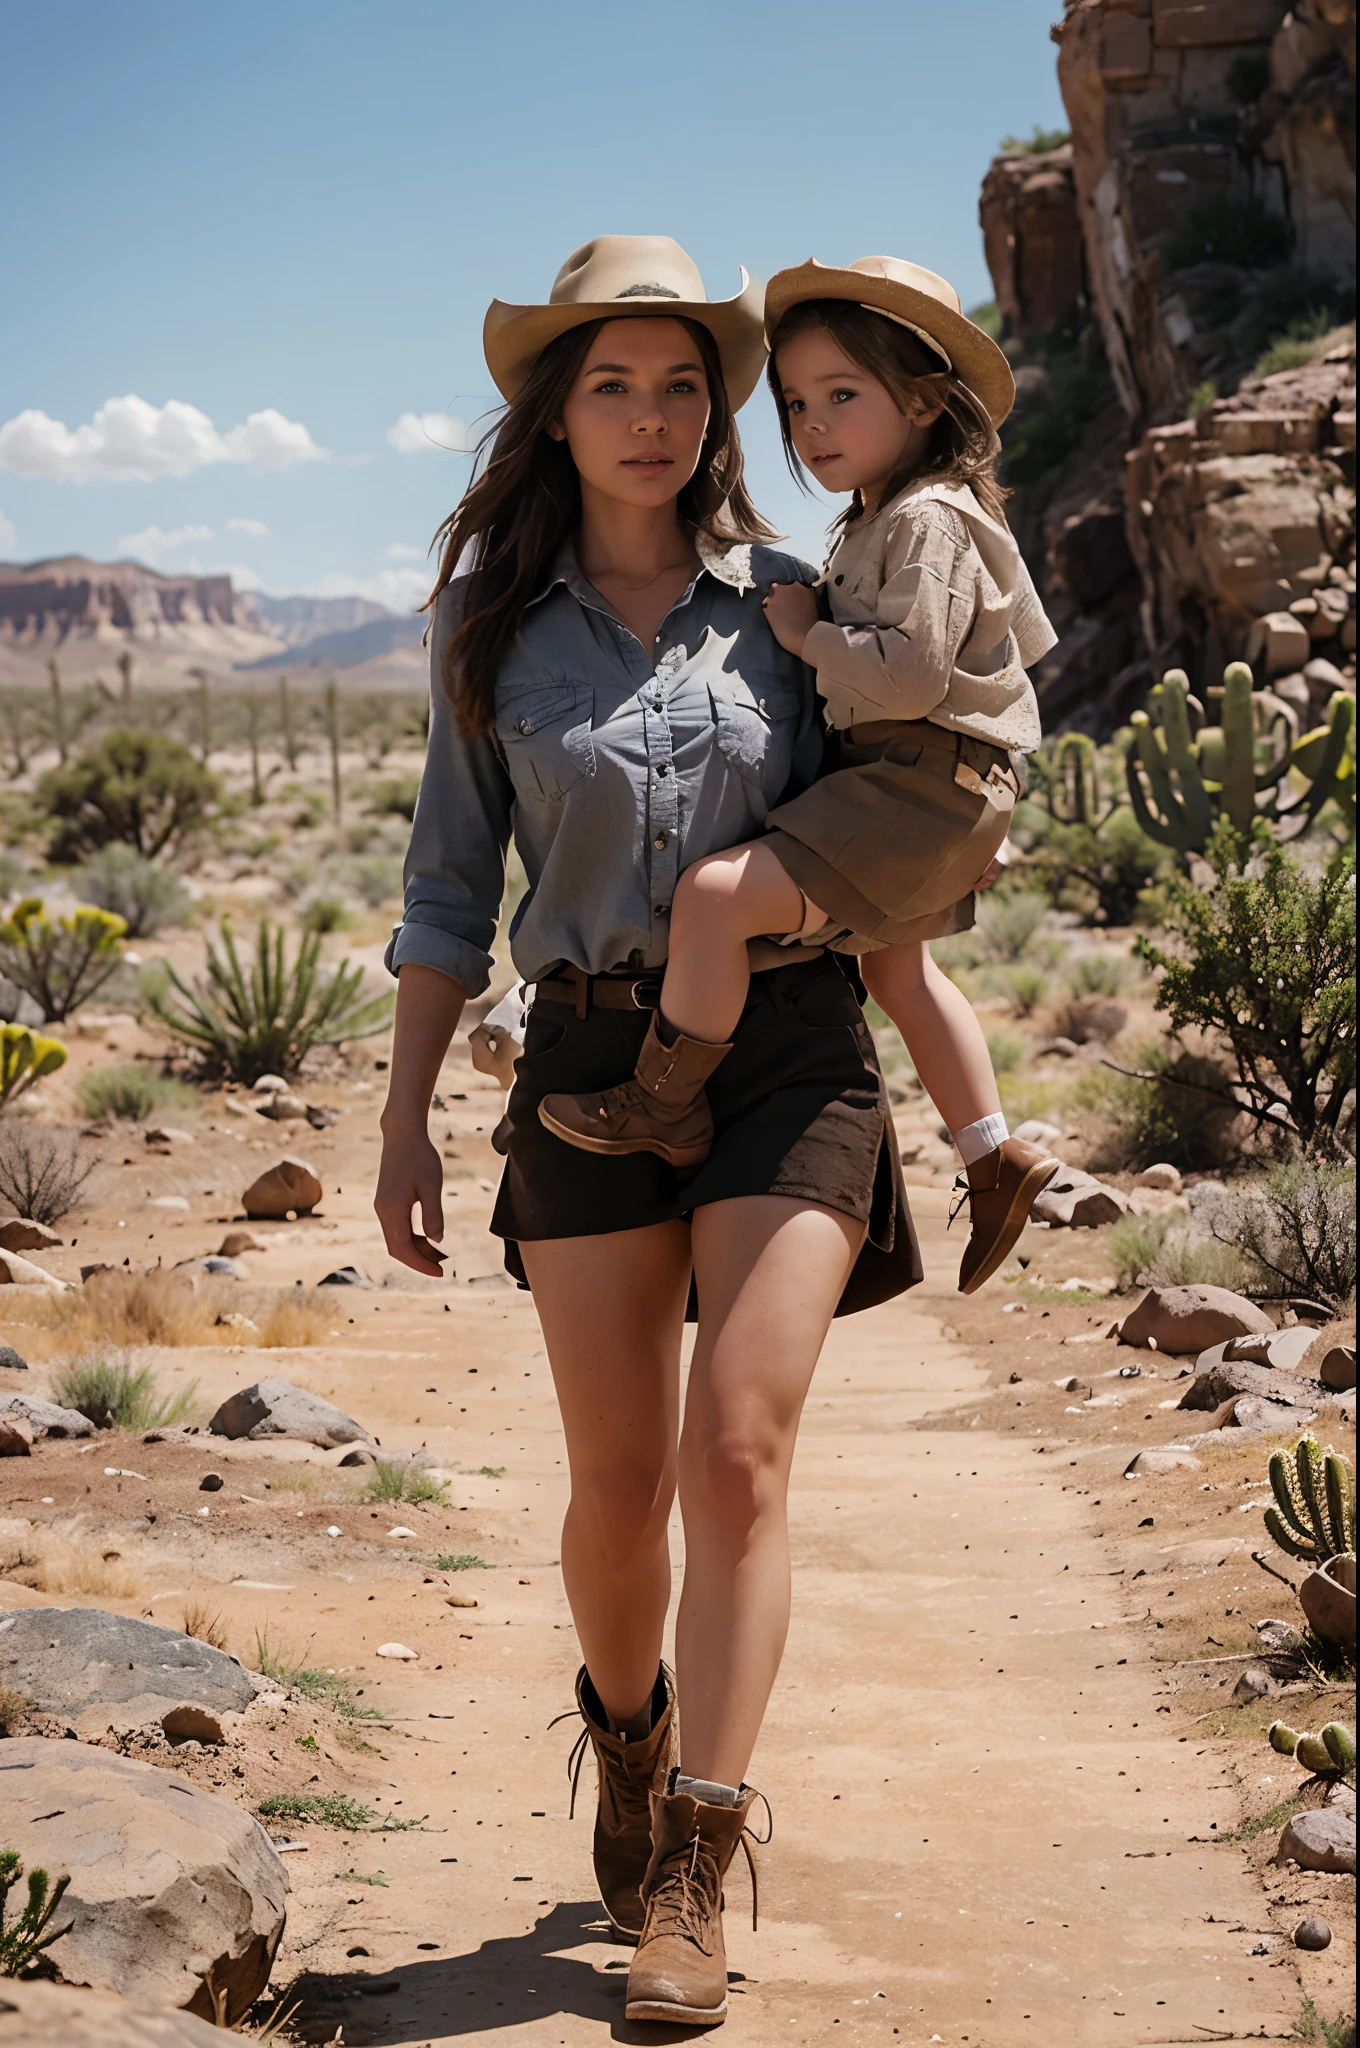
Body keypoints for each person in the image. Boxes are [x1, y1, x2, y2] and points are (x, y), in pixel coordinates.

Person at [375, 235, 926, 2028]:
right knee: (618, 1491)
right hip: (588, 1062)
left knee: (738, 1457)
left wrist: (956, 1045)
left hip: (788, 1048)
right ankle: (630, 1732)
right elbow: (451, 893)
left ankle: (697, 1851)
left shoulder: (793, 597)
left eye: (683, 380)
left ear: (718, 412)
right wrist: (402, 1123)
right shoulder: (493, 636)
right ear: (553, 412)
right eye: (610, 381)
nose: (651, 413)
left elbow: (905, 803)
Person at [540, 256, 1061, 1295]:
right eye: (793, 403)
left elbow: (913, 674)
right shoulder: (890, 514)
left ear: (922, 399)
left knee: (715, 897)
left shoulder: (922, 519)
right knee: (898, 970)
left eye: (841, 396)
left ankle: (663, 1096)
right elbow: (1010, 654)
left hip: (912, 777)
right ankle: (991, 1150)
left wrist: (811, 633)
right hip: (922, 781)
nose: (811, 425)